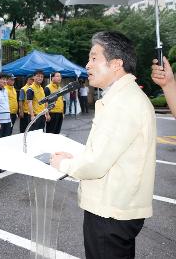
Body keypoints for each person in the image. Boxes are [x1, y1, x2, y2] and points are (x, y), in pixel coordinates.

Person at [51, 31, 156, 259]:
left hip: (110, 212)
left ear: (116, 64)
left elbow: (97, 163)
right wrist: (76, 158)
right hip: (118, 207)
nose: (88, 64)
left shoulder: (122, 102)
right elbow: (108, 152)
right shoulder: (125, 96)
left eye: (94, 57)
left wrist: (64, 165)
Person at [0, 73, 12, 139]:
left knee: (6, 141)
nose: (5, 81)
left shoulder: (6, 90)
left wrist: (10, 120)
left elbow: (6, 105)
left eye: (6, 79)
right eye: (3, 79)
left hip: (8, 120)